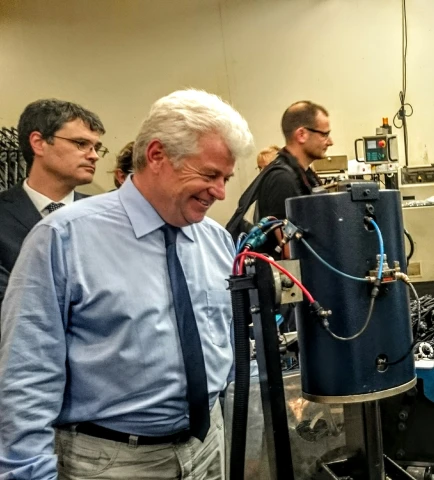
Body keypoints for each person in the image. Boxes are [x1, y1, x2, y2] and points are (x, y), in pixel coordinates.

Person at [0, 88, 254, 479]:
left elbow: (224, 343)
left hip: (206, 446)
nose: (220, 192)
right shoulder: (64, 237)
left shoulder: (215, 240)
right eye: (209, 175)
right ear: (156, 156)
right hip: (113, 461)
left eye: (226, 178)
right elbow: (27, 375)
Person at [0, 99, 105, 312]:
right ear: (39, 143)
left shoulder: (105, 216)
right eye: (81, 144)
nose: (94, 156)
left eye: (97, 147)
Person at [226, 101, 331, 258]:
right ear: (301, 134)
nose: (330, 141)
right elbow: (290, 252)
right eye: (324, 134)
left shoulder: (303, 174)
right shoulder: (282, 179)